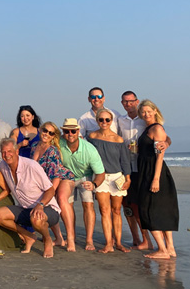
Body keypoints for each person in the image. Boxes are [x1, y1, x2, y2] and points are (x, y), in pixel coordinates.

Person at [0, 138, 61, 258]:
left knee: (36, 219)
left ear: (17, 151)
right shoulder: (3, 165)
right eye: (3, 152)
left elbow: (50, 190)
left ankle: (47, 239)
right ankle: (29, 236)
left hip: (48, 208)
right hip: (25, 209)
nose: (7, 155)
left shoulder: (31, 166)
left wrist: (41, 205)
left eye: (10, 151)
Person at [136, 100, 178, 259]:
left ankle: (162, 249)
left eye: (148, 111)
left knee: (148, 210)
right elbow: (165, 141)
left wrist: (155, 179)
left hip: (153, 172)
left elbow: (160, 156)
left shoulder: (157, 128)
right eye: (143, 112)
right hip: (147, 170)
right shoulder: (149, 128)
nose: (146, 114)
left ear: (155, 111)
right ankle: (170, 249)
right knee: (161, 210)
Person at [87, 108, 132, 253]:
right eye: (101, 119)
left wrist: (128, 178)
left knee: (117, 210)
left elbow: (125, 161)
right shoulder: (91, 137)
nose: (104, 122)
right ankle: (108, 244)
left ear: (111, 121)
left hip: (117, 177)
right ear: (97, 121)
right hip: (100, 178)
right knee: (104, 210)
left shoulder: (118, 139)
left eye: (107, 120)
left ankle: (118, 242)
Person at [59, 118, 105, 251]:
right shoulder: (58, 144)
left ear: (78, 131)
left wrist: (94, 184)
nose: (70, 134)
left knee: (88, 204)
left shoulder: (89, 149)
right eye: (67, 131)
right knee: (67, 205)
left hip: (86, 177)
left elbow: (100, 173)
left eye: (73, 131)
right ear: (63, 132)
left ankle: (89, 240)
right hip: (67, 178)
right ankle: (70, 235)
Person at [30, 121, 75, 247]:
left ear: (53, 136)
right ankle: (59, 238)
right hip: (46, 181)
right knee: (48, 203)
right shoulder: (34, 146)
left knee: (60, 199)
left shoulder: (52, 151)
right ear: (40, 130)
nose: (47, 134)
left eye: (50, 133)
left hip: (62, 177)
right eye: (45, 131)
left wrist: (50, 193)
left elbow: (56, 176)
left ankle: (70, 239)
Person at [117, 90, 152, 249]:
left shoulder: (144, 118)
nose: (128, 104)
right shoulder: (120, 120)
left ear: (137, 101)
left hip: (142, 167)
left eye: (131, 101)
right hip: (124, 167)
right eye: (125, 102)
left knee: (139, 205)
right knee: (127, 205)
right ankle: (136, 238)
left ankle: (147, 239)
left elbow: (161, 134)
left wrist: (165, 144)